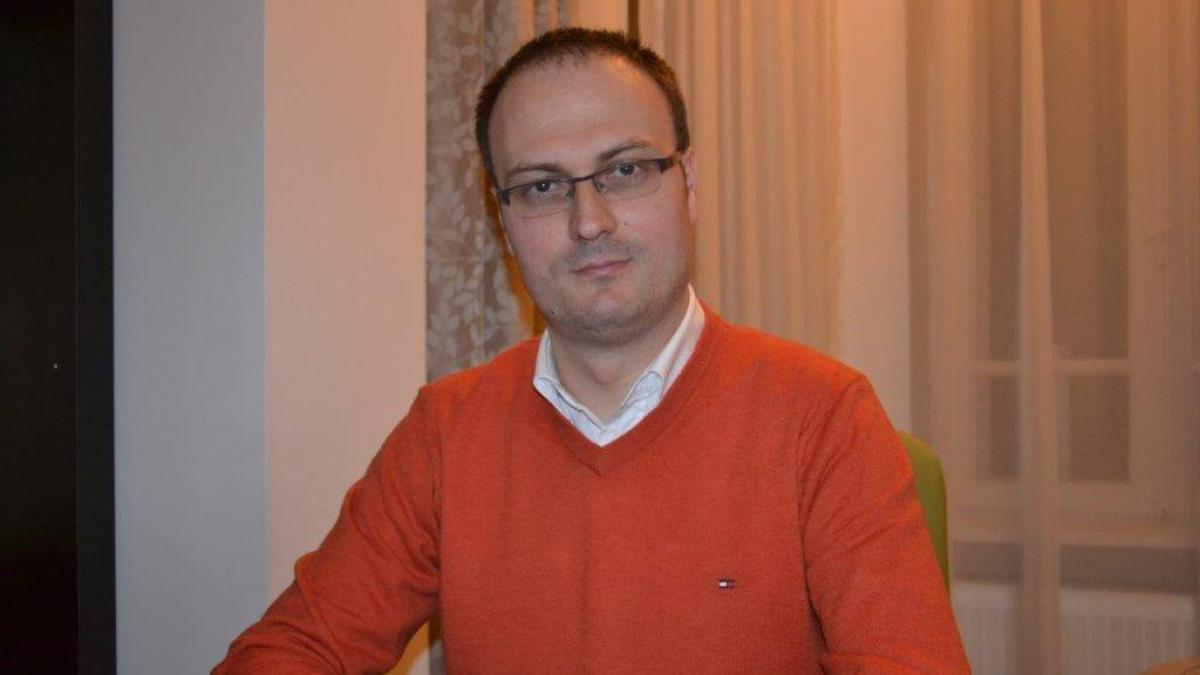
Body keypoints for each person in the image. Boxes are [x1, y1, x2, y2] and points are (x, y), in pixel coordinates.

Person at [214, 28, 969, 674]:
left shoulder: (823, 418)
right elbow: (296, 648)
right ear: (503, 221)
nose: (589, 221)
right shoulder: (446, 431)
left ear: (689, 183)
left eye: (625, 170)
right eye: (542, 187)